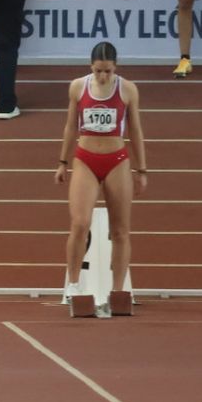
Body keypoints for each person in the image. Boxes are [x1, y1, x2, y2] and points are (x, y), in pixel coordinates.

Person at [54, 42, 148, 303]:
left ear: (115, 67)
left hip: (117, 160)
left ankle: (117, 291)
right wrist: (62, 162)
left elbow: (135, 130)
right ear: (90, 67)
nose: (103, 76)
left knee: (120, 230)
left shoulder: (127, 89)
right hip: (85, 159)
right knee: (80, 224)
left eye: (108, 71)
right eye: (98, 71)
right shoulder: (78, 87)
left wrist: (141, 169)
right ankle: (73, 286)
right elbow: (70, 126)